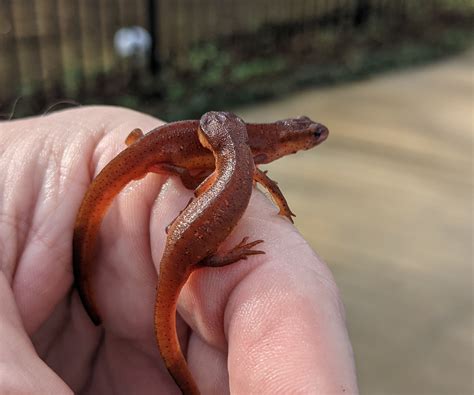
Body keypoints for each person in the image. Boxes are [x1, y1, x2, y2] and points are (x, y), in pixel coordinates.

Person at [0, 106, 358, 394]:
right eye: (313, 134)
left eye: (313, 133)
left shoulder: (248, 144)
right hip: (155, 156)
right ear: (291, 140)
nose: (317, 136)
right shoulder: (252, 150)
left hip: (150, 149)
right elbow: (228, 172)